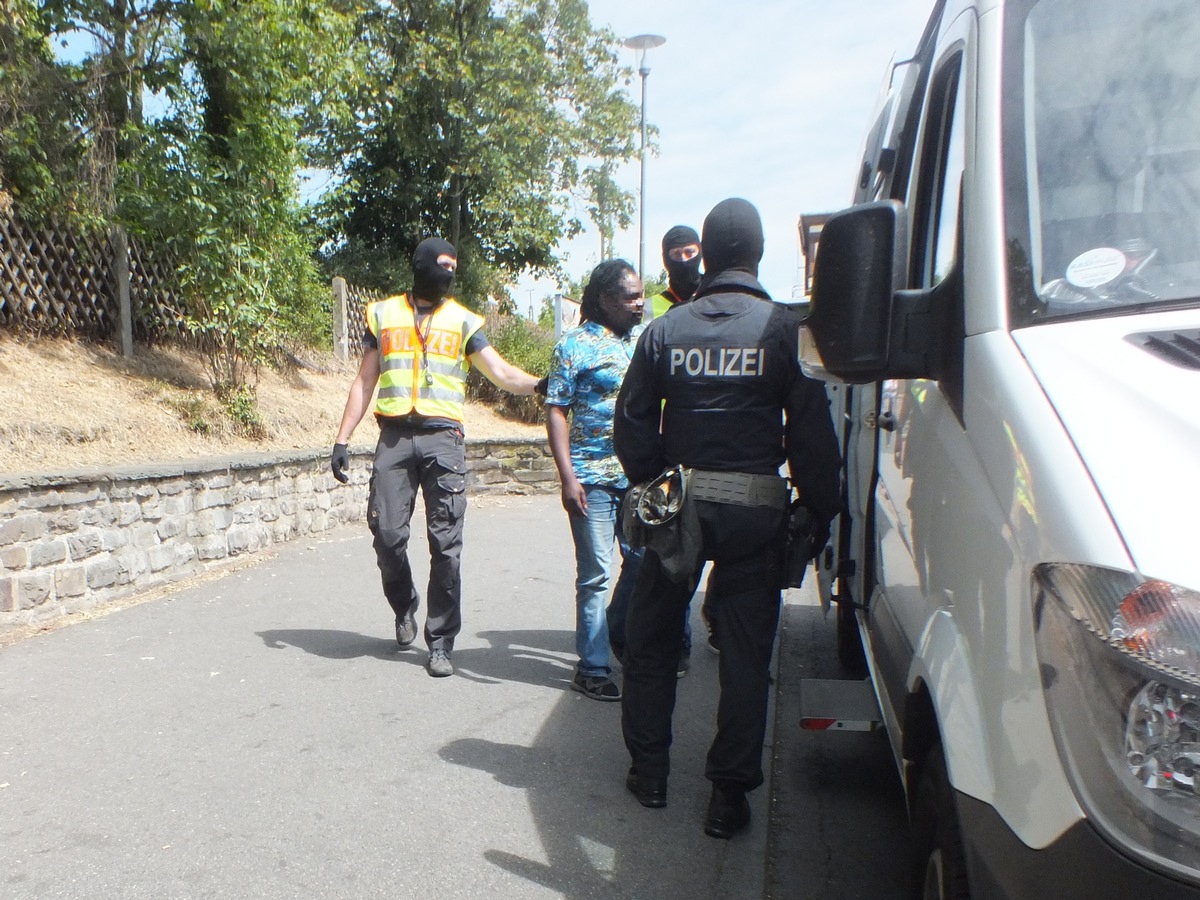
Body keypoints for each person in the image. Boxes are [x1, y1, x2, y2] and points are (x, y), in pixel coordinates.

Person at [613, 198, 841, 839]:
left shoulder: (665, 330)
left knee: (653, 642)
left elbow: (630, 422)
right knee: (744, 657)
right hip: (756, 516)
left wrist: (661, 485)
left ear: (705, 257)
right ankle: (727, 798)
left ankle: (651, 774)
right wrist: (819, 509)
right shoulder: (780, 330)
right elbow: (812, 435)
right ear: (760, 255)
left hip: (677, 510)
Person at [330, 236, 539, 678]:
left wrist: (541, 384)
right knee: (387, 535)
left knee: (446, 545)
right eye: (440, 266)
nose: (447, 274)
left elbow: (500, 372)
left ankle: (441, 641)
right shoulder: (384, 314)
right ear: (421, 265)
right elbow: (365, 380)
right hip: (394, 437)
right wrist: (342, 438)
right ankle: (404, 604)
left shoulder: (463, 320)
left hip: (443, 438)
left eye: (452, 268)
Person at [543, 259, 646, 702]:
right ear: (604, 300)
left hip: (641, 476)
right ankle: (593, 666)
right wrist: (567, 477)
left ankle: (617, 632)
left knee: (644, 562)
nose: (640, 304)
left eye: (641, 295)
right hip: (591, 477)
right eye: (630, 297)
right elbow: (556, 409)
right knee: (596, 574)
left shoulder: (645, 341)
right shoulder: (573, 346)